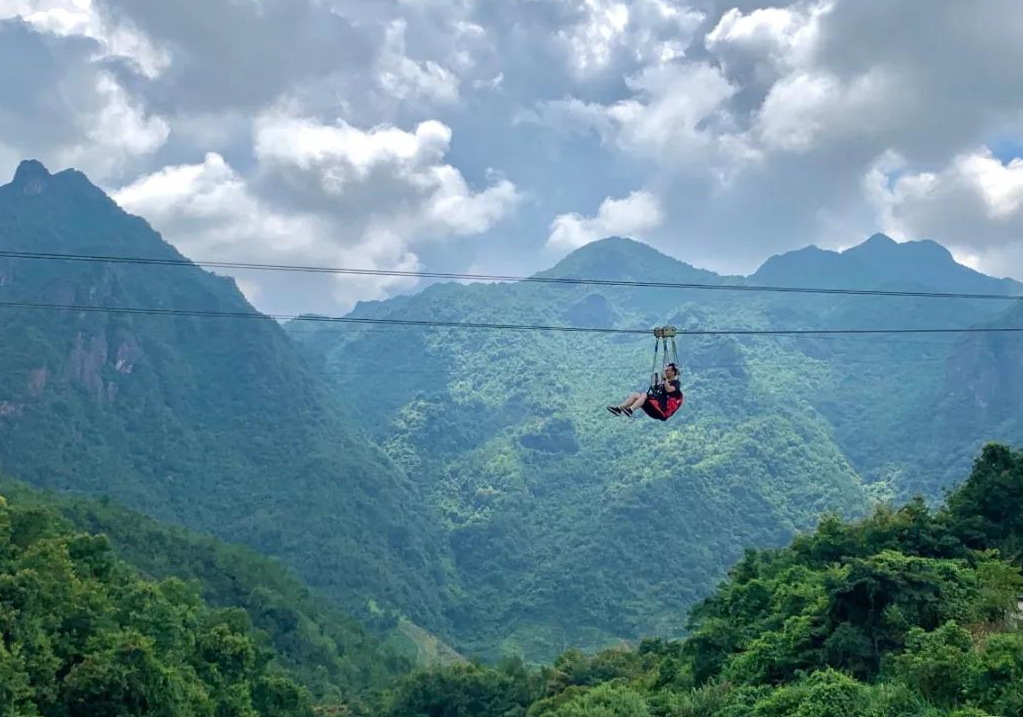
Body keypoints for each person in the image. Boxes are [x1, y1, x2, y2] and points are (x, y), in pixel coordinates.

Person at [608, 363, 682, 419]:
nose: (666, 372)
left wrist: (665, 380)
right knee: (635, 395)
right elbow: (656, 391)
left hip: (662, 411)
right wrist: (656, 384)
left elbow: (669, 390)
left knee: (644, 395)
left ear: (673, 372)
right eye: (666, 370)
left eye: (667, 370)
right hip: (655, 408)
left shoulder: (676, 383)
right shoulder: (664, 383)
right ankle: (619, 409)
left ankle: (630, 410)